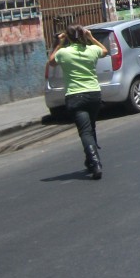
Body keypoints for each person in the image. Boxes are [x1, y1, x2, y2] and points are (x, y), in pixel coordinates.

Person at [47, 24, 108, 180]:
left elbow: (51, 61)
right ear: (82, 35)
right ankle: (90, 160)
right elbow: (105, 51)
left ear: (68, 37)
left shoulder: (64, 53)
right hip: (94, 94)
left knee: (85, 131)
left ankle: (95, 162)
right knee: (91, 127)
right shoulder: (92, 50)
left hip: (76, 96)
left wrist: (59, 43)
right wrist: (91, 37)